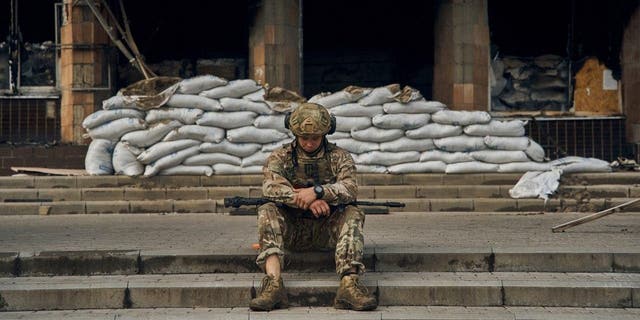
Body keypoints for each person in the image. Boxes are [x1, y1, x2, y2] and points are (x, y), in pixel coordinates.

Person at [249, 103, 377, 311]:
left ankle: (349, 284)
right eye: (304, 138)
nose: (309, 143)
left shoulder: (339, 157)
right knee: (267, 209)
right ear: (294, 134)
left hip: (328, 231)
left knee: (353, 212)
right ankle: (273, 285)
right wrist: (307, 199)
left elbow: (350, 188)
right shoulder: (280, 156)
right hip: (292, 231)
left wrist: (318, 192)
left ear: (326, 133)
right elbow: (270, 187)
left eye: (315, 138)